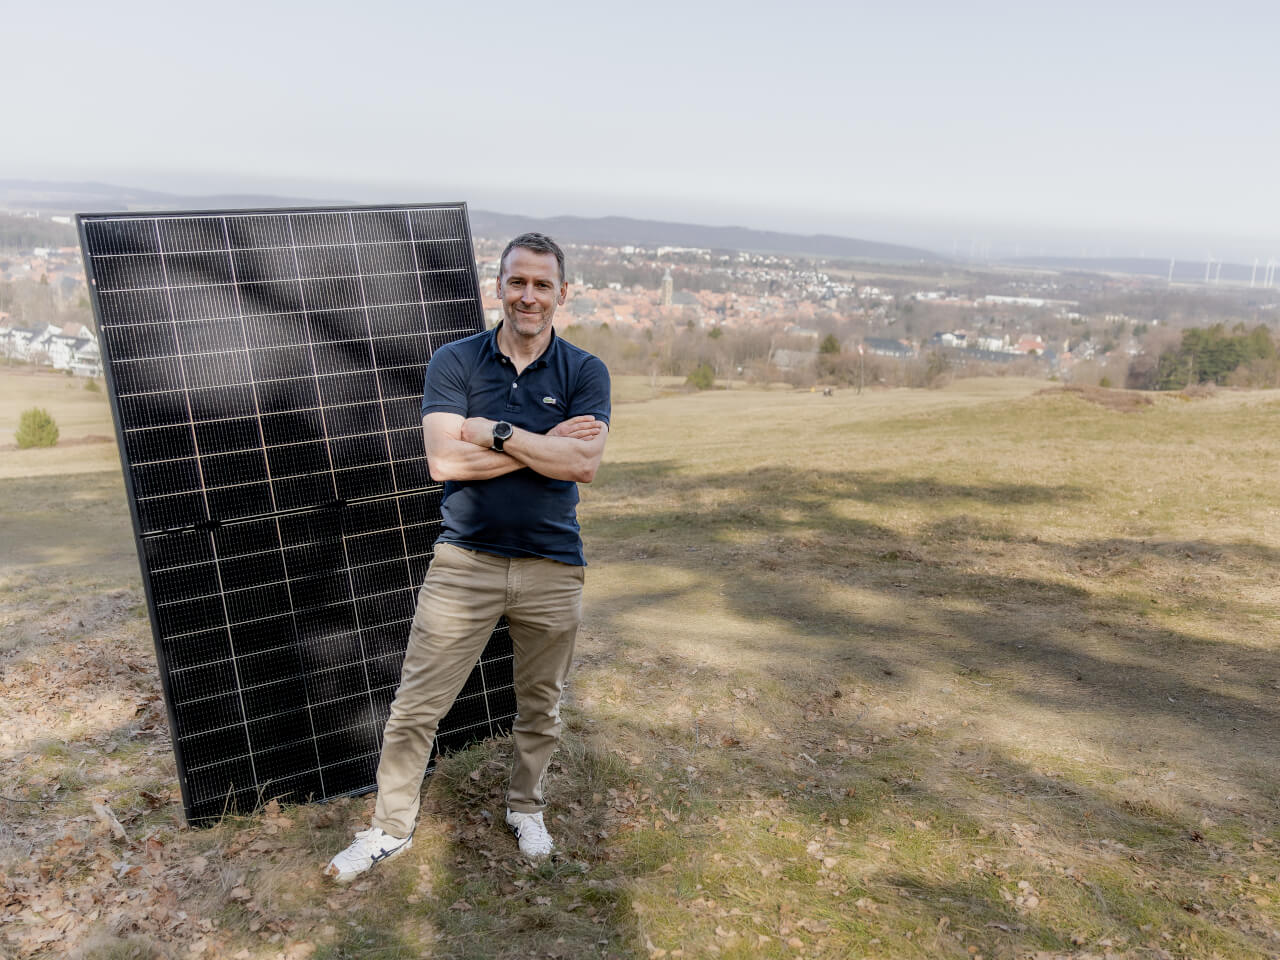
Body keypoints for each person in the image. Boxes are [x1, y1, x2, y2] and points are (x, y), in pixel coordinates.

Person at [325, 233, 610, 882]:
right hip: (465, 565)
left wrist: (497, 431)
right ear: (499, 287)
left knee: (542, 705)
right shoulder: (455, 362)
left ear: (562, 294)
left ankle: (525, 808)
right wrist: (541, 446)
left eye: (542, 285)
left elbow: (583, 464)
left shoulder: (586, 372)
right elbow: (442, 460)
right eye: (517, 282)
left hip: (552, 567)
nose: (528, 296)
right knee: (417, 705)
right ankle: (390, 828)